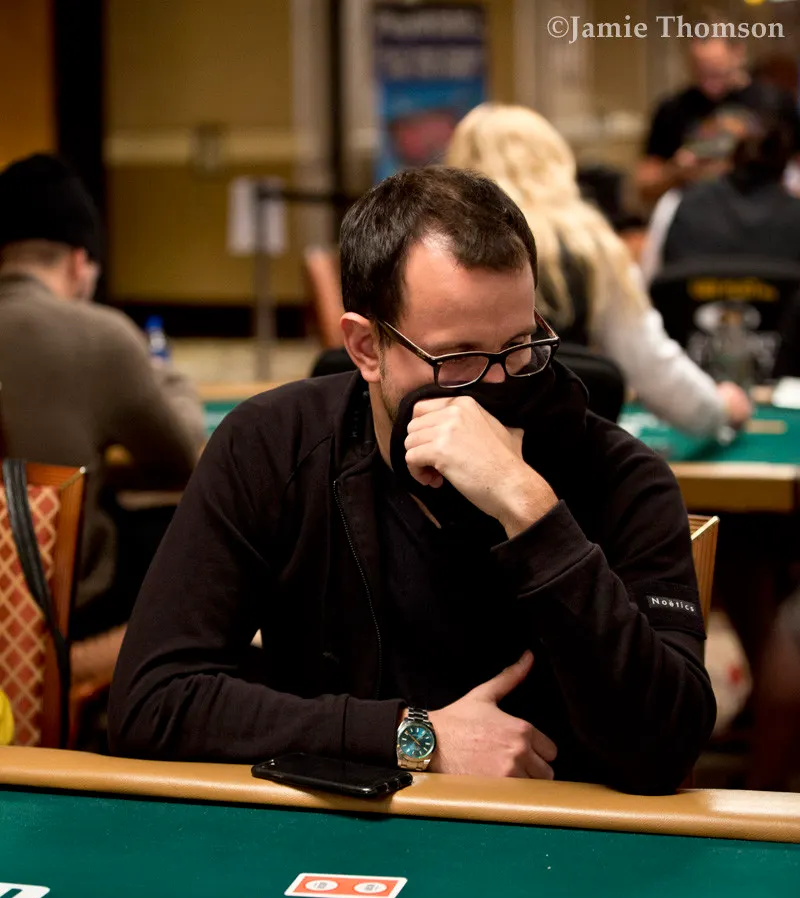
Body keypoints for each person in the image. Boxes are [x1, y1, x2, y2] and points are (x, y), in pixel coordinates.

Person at [108, 166, 715, 793]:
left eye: (520, 346)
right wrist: (412, 737)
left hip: (559, 833)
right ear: (366, 347)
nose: (498, 386)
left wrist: (531, 510)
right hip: (332, 827)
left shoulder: (622, 475)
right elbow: (152, 701)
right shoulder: (271, 445)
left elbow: (666, 750)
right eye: (459, 358)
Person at [445, 103, 752, 437]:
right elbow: (650, 364)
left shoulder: (438, 248)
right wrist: (718, 408)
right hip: (564, 452)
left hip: (457, 439)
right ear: (554, 162)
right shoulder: (592, 245)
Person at [0, 154, 203, 639]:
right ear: (79, 261)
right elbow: (179, 455)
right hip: (56, 607)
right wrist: (166, 376)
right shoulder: (100, 335)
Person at [637, 33, 800, 207]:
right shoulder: (672, 110)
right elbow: (644, 186)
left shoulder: (775, 102)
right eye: (700, 72)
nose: (708, 84)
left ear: (738, 54)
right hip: (698, 212)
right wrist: (676, 170)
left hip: (764, 212)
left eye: (716, 72)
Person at [657, 115, 800, 269]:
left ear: (731, 160)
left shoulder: (677, 202)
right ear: (784, 170)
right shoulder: (795, 217)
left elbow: (657, 277)